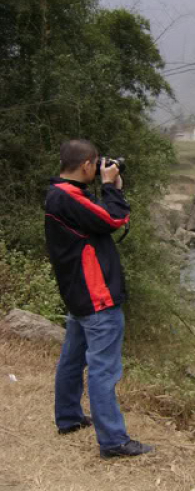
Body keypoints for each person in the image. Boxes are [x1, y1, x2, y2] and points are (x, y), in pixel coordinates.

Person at [44, 139, 153, 459]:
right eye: (97, 165)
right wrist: (112, 188)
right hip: (97, 298)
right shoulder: (70, 198)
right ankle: (113, 441)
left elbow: (100, 218)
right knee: (103, 370)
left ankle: (69, 418)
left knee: (72, 359)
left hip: (78, 295)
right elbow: (112, 220)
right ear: (87, 166)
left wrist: (110, 189)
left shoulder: (60, 194)